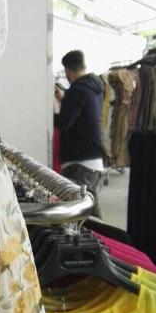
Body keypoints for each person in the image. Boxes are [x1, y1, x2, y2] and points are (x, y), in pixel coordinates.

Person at [54, 50, 106, 217]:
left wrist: (46, 113)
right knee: (90, 214)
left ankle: (105, 235)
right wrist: (65, 99)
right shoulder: (93, 87)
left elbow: (64, 122)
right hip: (92, 161)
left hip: (80, 163)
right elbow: (82, 114)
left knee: (83, 216)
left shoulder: (77, 91)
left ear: (68, 71)